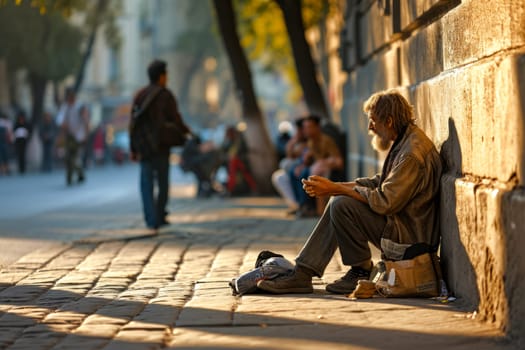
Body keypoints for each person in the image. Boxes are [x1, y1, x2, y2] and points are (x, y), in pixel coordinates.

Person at [257, 90, 442, 295]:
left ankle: (347, 271)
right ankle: (311, 271)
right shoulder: (405, 141)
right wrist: (335, 186)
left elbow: (386, 201)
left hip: (409, 239)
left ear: (388, 121)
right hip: (400, 225)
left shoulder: (411, 153)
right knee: (340, 198)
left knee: (341, 204)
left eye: (373, 121)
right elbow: (380, 182)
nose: (370, 127)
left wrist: (335, 189)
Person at [129, 59, 192, 230]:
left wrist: (133, 149)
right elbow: (176, 119)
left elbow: (133, 125)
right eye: (166, 75)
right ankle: (160, 214)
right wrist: (188, 132)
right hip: (162, 146)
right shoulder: (165, 95)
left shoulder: (140, 95)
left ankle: (151, 219)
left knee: (146, 183)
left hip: (144, 147)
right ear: (161, 76)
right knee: (163, 183)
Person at [289, 115, 343, 217]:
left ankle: (312, 208)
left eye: (309, 127)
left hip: (327, 171)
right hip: (316, 170)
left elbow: (338, 162)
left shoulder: (326, 140)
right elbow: (294, 155)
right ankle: (303, 206)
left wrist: (324, 162)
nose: (306, 130)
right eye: (304, 128)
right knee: (296, 171)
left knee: (310, 173)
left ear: (317, 127)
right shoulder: (310, 142)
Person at [271, 117, 308, 213]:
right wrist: (295, 139)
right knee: (280, 175)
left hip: (307, 168)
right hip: (299, 167)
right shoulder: (297, 140)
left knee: (295, 170)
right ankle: (296, 205)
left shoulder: (312, 140)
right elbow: (290, 154)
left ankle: (303, 205)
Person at [56, 88, 89, 185]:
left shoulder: (79, 107)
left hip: (78, 136)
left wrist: (86, 135)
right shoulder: (65, 107)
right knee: (68, 157)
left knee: (73, 157)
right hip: (69, 136)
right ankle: (79, 174)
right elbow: (59, 119)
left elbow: (86, 121)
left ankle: (70, 178)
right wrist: (62, 125)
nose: (70, 99)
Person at [222, 125, 257, 196]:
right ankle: (230, 188)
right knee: (233, 166)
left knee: (238, 168)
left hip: (241, 161)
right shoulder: (228, 142)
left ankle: (230, 189)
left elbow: (245, 151)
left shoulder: (240, 141)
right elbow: (223, 153)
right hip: (232, 163)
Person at [13, 110, 31, 175]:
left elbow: (29, 131)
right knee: (19, 155)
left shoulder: (26, 123)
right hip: (18, 141)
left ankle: (23, 168)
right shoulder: (16, 124)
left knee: (23, 155)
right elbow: (14, 131)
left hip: (24, 141)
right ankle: (20, 168)